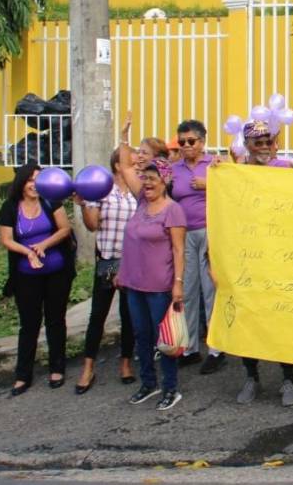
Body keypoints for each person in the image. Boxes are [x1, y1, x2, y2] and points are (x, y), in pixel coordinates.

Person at [233, 120, 293, 406]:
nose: (264, 147)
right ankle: (251, 377)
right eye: (257, 142)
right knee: (249, 317)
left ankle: (289, 379)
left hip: (279, 255)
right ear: (247, 144)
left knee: (282, 318)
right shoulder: (235, 172)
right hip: (248, 256)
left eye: (268, 142)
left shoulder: (286, 168)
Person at [117, 143, 187, 411]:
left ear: (165, 181)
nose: (146, 183)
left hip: (160, 286)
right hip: (133, 283)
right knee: (142, 335)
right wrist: (124, 137)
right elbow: (125, 166)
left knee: (165, 340)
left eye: (151, 178)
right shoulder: (141, 202)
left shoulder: (173, 210)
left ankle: (170, 388)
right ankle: (148, 383)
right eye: (144, 178)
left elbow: (179, 250)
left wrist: (178, 284)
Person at [0, 163, 76, 396]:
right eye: (30, 180)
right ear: (22, 182)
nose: (35, 184)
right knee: (29, 324)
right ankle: (23, 375)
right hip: (26, 275)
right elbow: (6, 240)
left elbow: (64, 229)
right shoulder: (10, 207)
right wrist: (28, 252)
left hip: (56, 272)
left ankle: (57, 369)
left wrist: (43, 245)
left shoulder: (51, 201)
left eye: (38, 179)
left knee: (55, 320)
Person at [74, 149, 139, 394]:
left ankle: (125, 363)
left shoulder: (137, 190)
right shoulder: (101, 188)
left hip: (131, 260)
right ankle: (88, 367)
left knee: (128, 314)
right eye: (132, 160)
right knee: (98, 314)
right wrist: (83, 206)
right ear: (118, 164)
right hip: (108, 261)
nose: (137, 163)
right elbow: (92, 226)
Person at [170, 120, 223, 374]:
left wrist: (209, 183)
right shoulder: (174, 168)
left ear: (202, 141)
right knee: (187, 290)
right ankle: (190, 347)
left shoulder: (215, 164)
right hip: (183, 234)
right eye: (182, 142)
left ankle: (216, 348)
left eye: (191, 141)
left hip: (209, 231)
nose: (186, 146)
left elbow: (233, 191)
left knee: (210, 289)